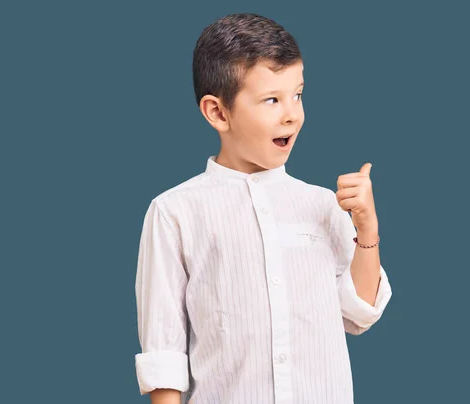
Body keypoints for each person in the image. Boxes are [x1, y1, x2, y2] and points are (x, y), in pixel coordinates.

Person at [134, 13, 393, 404]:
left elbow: (359, 313)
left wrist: (367, 231)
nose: (292, 113)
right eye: (272, 99)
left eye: (298, 94)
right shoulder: (175, 213)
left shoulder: (323, 205)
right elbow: (164, 356)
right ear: (217, 112)